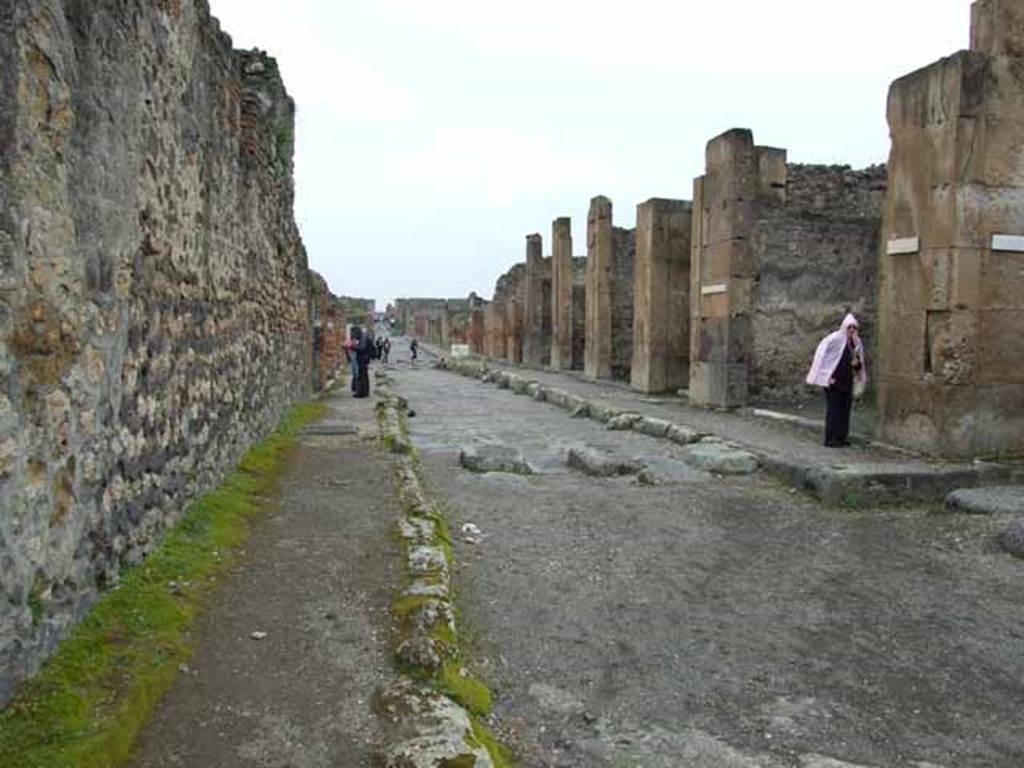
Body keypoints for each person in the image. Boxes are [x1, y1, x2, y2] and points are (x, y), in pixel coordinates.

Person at [806, 313, 867, 447]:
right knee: (834, 411)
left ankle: (841, 437)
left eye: (854, 328)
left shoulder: (856, 344)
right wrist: (826, 376)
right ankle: (831, 439)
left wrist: (857, 365)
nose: (852, 330)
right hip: (833, 382)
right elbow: (823, 358)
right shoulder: (833, 340)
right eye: (849, 327)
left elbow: (858, 365)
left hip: (847, 382)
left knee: (845, 410)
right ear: (844, 327)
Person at [353, 326, 373, 398]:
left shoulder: (363, 338)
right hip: (365, 358)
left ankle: (362, 393)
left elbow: (361, 348)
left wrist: (353, 346)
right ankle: (364, 392)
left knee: (362, 376)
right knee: (364, 376)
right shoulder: (364, 337)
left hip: (363, 359)